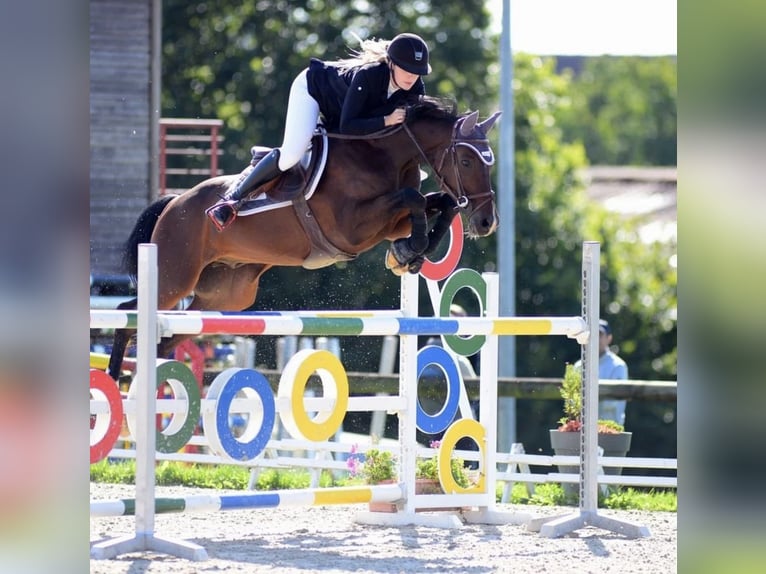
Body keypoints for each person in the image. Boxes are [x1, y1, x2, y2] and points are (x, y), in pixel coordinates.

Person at [206, 33, 432, 231]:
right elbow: (348, 126)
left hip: (343, 111)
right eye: (407, 69)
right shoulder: (369, 75)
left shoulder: (415, 87)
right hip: (313, 91)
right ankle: (232, 200)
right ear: (391, 63)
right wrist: (386, 120)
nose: (412, 76)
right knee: (293, 154)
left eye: (417, 71)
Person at [576, 318, 629, 425]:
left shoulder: (618, 366)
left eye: (599, 334)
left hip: (610, 430)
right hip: (582, 431)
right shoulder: (578, 366)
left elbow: (613, 403)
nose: (595, 338)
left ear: (609, 338)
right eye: (592, 334)